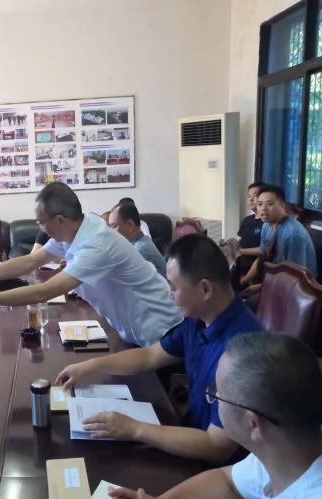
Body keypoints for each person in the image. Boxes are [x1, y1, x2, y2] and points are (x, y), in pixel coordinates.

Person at [56, 234, 264, 464]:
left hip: (222, 466)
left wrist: (134, 429)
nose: (169, 295)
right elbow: (149, 356)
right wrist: (89, 366)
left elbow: (218, 447)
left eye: (174, 288)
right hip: (191, 433)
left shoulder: (244, 350)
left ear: (205, 289)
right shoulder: (198, 319)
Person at [0, 182, 182, 347]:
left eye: (41, 222)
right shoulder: (74, 229)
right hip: (134, 328)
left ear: (60, 219)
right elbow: (32, 260)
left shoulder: (96, 244)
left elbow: (43, 292)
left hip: (161, 328)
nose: (41, 228)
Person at [108, 333, 322, 498]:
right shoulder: (283, 447)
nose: (214, 397)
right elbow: (226, 480)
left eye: (218, 394)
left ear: (254, 423)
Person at [241, 185, 317, 298]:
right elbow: (262, 257)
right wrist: (244, 280)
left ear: (282, 205)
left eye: (269, 204)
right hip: (276, 280)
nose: (263, 209)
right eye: (260, 204)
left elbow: (296, 278)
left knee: (250, 303)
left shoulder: (293, 234)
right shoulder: (266, 226)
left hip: (300, 291)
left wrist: (261, 287)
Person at [108, 203, 166, 277]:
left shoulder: (139, 251)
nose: (111, 231)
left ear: (130, 224)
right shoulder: (142, 241)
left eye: (113, 226)